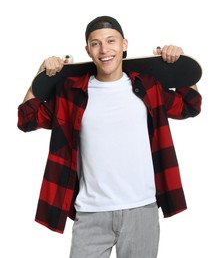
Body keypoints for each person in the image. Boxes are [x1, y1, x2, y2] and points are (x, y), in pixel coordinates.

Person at [17, 16, 202, 258]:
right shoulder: (72, 94)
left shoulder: (147, 87)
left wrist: (179, 67)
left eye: (111, 41)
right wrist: (40, 76)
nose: (104, 50)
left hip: (141, 211)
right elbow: (26, 119)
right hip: (90, 213)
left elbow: (191, 105)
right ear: (88, 50)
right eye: (95, 44)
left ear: (124, 44)